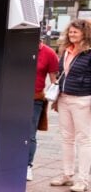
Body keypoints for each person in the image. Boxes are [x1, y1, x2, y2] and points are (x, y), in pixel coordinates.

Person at [51, 19, 91, 192]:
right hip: (65, 98)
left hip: (82, 99)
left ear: (85, 33)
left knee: (84, 140)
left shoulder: (89, 52)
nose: (71, 34)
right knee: (67, 138)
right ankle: (67, 175)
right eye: (70, 31)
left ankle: (83, 179)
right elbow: (62, 74)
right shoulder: (66, 50)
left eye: (75, 32)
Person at [29, 35, 60, 181]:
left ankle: (28, 166)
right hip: (12, 98)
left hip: (35, 98)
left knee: (29, 134)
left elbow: (54, 80)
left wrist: (56, 98)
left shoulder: (49, 53)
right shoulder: (15, 47)